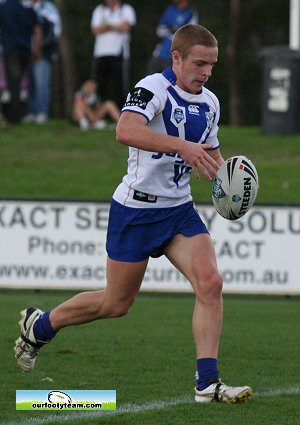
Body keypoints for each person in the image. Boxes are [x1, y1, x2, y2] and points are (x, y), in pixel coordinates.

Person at [14, 24, 252, 404]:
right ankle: (40, 325)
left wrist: (230, 182)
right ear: (176, 58)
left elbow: (210, 155)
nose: (206, 72)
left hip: (178, 210)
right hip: (136, 209)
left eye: (212, 64)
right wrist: (182, 148)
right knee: (116, 304)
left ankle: (207, 384)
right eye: (199, 63)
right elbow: (124, 130)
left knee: (211, 283)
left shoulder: (210, 102)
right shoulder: (152, 88)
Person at [0, 0, 42, 123]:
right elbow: (38, 31)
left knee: (13, 84)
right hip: (26, 51)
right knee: (21, 84)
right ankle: (19, 113)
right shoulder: (29, 9)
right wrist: (37, 50)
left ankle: (14, 117)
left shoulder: (3, 8)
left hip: (10, 50)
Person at [90, 0, 136, 109]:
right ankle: (98, 115)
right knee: (100, 85)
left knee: (119, 86)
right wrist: (116, 27)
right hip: (101, 53)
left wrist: (107, 26)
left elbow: (126, 27)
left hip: (118, 53)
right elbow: (95, 29)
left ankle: (122, 113)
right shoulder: (99, 10)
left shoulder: (126, 9)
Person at [24, 0, 62, 124]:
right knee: (30, 84)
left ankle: (42, 112)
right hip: (25, 52)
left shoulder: (48, 8)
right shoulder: (25, 5)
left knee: (42, 83)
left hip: (43, 54)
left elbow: (54, 32)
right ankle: (32, 111)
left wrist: (40, 48)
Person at [147, 0, 198, 75]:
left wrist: (177, 30)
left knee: (170, 79)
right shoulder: (170, 10)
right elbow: (159, 30)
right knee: (151, 72)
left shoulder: (191, 13)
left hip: (176, 53)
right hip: (162, 50)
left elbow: (190, 33)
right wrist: (171, 29)